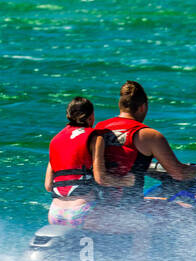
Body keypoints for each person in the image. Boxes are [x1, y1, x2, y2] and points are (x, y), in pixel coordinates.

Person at [93, 81, 196, 204]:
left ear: (120, 106)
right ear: (143, 107)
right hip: (130, 209)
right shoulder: (148, 135)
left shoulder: (100, 128)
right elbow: (179, 173)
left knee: (155, 199)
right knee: (186, 207)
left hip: (99, 204)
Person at [44, 96, 134, 226]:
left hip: (55, 214)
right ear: (91, 117)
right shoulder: (96, 138)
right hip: (82, 212)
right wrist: (126, 181)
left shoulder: (55, 141)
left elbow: (48, 186)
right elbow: (101, 179)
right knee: (142, 227)